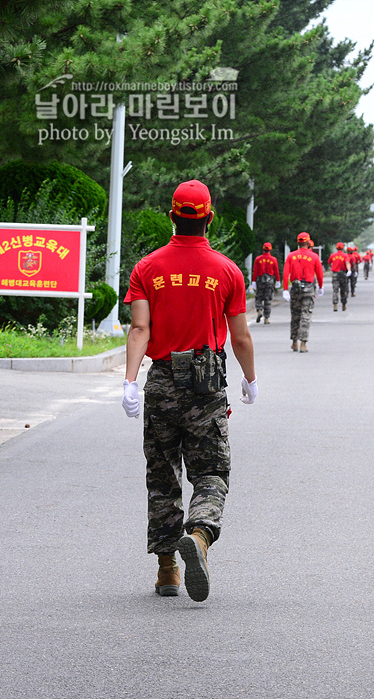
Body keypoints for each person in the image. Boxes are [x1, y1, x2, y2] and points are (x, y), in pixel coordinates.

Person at [121, 179, 258, 603]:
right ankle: (199, 534)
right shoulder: (227, 270)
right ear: (209, 218)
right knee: (211, 472)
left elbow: (140, 328)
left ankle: (166, 571)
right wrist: (250, 379)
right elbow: (240, 337)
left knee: (162, 478)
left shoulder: (147, 268)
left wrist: (129, 381)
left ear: (172, 217)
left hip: (161, 381)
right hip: (206, 383)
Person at [282, 231, 325, 352]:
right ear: (308, 242)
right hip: (309, 289)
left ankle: (294, 342)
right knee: (306, 315)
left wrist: (285, 288)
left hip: (295, 289)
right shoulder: (314, 257)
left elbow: (286, 274)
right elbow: (320, 274)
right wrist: (321, 287)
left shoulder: (291, 256)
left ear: (298, 242)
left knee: (295, 315)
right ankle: (303, 344)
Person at [251, 242, 280, 324]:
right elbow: (276, 271)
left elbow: (255, 271)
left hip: (260, 280)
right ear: (270, 249)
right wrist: (277, 280)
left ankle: (259, 310)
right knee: (268, 299)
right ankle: (266, 318)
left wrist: (253, 281)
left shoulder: (258, 259)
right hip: (269, 281)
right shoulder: (273, 259)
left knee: (259, 297)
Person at [328, 242, 352, 311]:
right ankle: (343, 305)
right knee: (343, 290)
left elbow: (329, 263)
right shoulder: (345, 255)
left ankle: (335, 305)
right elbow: (347, 263)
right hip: (343, 274)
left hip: (335, 274)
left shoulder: (332, 255)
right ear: (343, 248)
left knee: (335, 290)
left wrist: (333, 267)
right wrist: (349, 270)